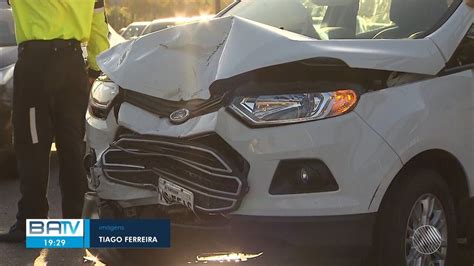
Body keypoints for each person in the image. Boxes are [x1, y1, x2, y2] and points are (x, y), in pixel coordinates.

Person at [0, 0, 109, 242]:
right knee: (72, 146)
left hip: (35, 67)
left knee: (32, 145)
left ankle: (31, 222)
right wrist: (94, 70)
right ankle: (77, 222)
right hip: (72, 67)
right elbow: (98, 23)